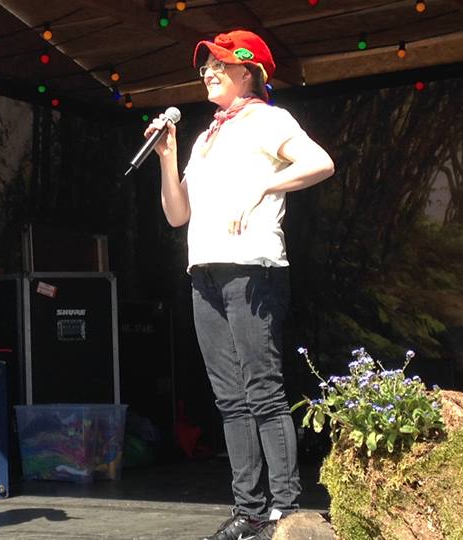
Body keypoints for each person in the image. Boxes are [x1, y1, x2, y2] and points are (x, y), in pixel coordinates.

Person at [144, 30, 335, 540]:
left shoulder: (268, 120)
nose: (208, 73)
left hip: (253, 268)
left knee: (263, 391)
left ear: (247, 72)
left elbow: (320, 163)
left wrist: (263, 184)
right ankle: (249, 509)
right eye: (205, 67)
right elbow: (177, 213)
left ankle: (285, 510)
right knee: (229, 398)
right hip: (204, 271)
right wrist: (166, 156)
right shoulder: (207, 137)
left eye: (219, 65)